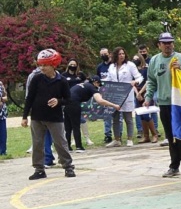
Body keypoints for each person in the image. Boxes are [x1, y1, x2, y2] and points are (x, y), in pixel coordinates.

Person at [144, 33, 181, 177]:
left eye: (170, 42)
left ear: (173, 44)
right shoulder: (154, 60)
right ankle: (174, 166)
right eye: (164, 43)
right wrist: (148, 97)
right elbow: (152, 81)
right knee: (170, 135)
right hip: (164, 102)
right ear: (159, 45)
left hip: (178, 103)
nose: (168, 45)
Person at [22, 49, 75, 179]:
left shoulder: (61, 81)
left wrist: (58, 101)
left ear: (53, 65)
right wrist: (25, 116)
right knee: (37, 144)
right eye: (41, 64)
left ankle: (68, 167)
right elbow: (30, 98)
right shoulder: (37, 78)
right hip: (37, 116)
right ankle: (39, 169)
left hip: (54, 117)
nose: (42, 67)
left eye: (45, 65)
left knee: (60, 143)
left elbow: (68, 100)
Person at [65, 76, 121, 153]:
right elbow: (100, 101)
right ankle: (79, 147)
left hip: (65, 103)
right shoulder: (91, 87)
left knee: (68, 127)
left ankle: (67, 147)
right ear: (95, 82)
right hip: (74, 104)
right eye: (98, 85)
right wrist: (114, 105)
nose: (98, 87)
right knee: (76, 126)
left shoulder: (83, 84)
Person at [106, 47, 143, 147]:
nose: (121, 55)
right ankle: (117, 139)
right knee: (115, 118)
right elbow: (109, 79)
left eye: (123, 53)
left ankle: (129, 139)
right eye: (119, 54)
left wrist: (135, 81)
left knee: (128, 118)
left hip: (127, 93)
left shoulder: (130, 65)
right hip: (115, 94)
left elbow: (139, 77)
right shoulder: (111, 67)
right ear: (115, 56)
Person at [63, 59, 87, 150]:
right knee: (68, 126)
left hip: (77, 101)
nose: (72, 66)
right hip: (66, 101)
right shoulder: (64, 75)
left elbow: (86, 84)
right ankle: (68, 145)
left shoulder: (80, 75)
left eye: (74, 64)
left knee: (76, 124)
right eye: (71, 64)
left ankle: (78, 145)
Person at [133, 56, 158, 144]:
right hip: (137, 94)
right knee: (141, 115)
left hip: (146, 92)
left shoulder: (146, 69)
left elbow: (148, 82)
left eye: (137, 59)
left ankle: (154, 134)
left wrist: (141, 92)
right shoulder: (134, 70)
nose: (135, 60)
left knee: (147, 114)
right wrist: (137, 93)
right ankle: (146, 136)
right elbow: (132, 83)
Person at [96, 48, 115, 143]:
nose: (104, 56)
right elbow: (97, 80)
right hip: (104, 91)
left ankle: (118, 134)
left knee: (117, 115)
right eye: (102, 54)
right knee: (106, 114)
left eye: (105, 54)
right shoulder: (100, 67)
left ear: (109, 54)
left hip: (115, 91)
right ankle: (108, 134)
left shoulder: (114, 65)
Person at [0, 80, 7, 156]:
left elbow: (6, 97)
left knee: (3, 133)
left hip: (2, 113)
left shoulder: (0, 83)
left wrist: (1, 99)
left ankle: (3, 151)